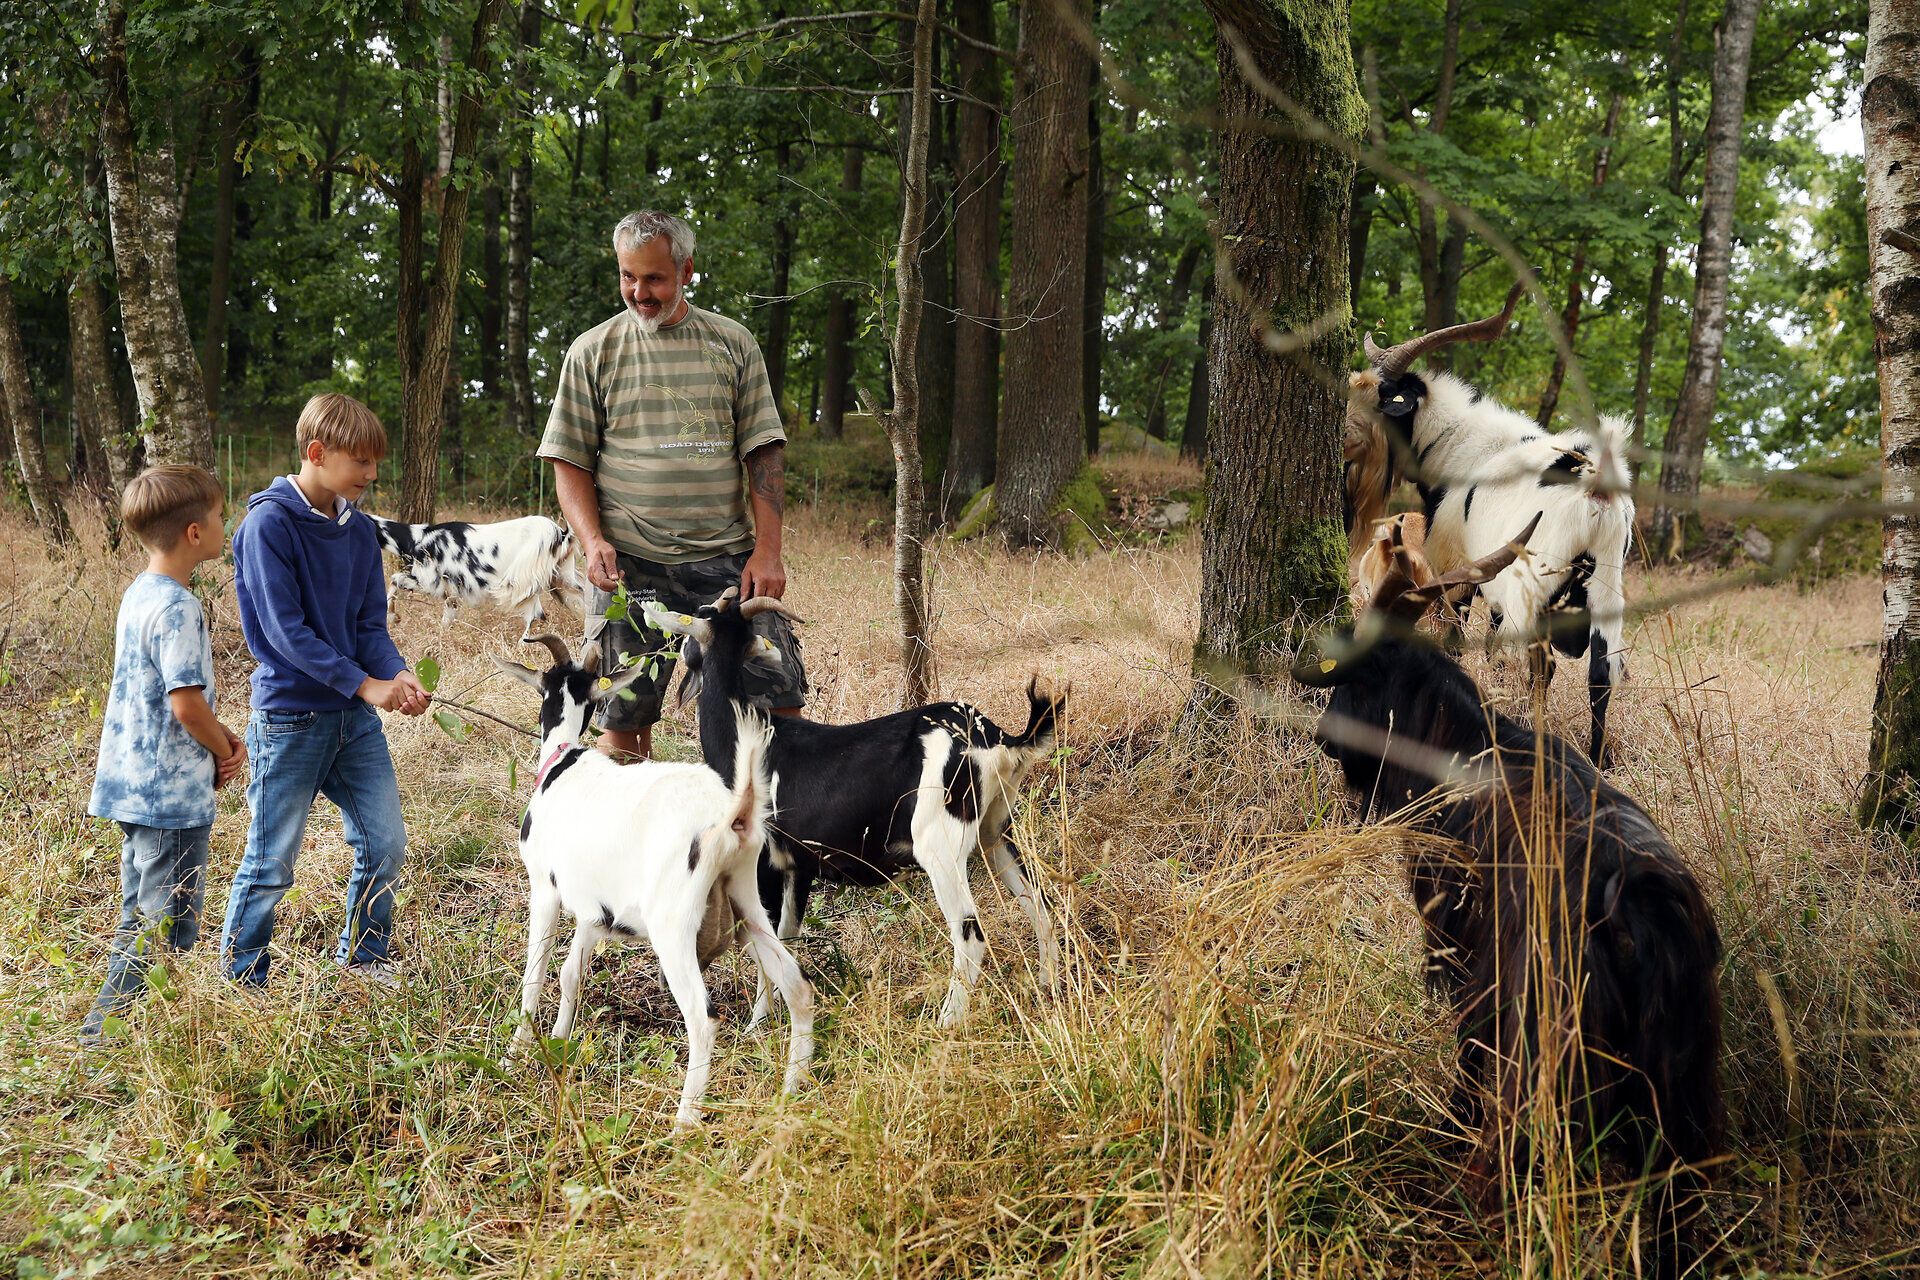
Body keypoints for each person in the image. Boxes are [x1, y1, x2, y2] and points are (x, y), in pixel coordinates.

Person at [539, 209, 805, 760]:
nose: (640, 292)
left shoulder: (732, 344)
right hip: (629, 568)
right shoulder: (592, 352)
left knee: (779, 702)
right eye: (627, 277)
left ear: (687, 269)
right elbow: (569, 463)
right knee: (625, 719)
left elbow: (764, 453)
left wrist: (769, 550)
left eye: (654, 278)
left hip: (726, 563)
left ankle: (776, 836)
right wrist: (591, 544)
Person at [220, 393, 430, 987]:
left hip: (353, 722)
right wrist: (366, 686)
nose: (370, 474)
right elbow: (286, 635)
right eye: (359, 461)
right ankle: (241, 977)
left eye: (374, 464)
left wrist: (395, 673)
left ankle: (364, 960)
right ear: (317, 452)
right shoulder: (267, 525)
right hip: (291, 719)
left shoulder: (360, 531)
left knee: (386, 844)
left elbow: (368, 626)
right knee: (272, 862)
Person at [83, 465, 247, 1042]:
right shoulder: (178, 607)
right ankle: (108, 1040)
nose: (227, 523)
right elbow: (186, 705)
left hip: (130, 784)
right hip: (168, 795)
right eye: (221, 515)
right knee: (165, 929)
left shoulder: (140, 591)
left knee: (140, 917)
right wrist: (226, 744)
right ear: (195, 534)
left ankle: (122, 1037)